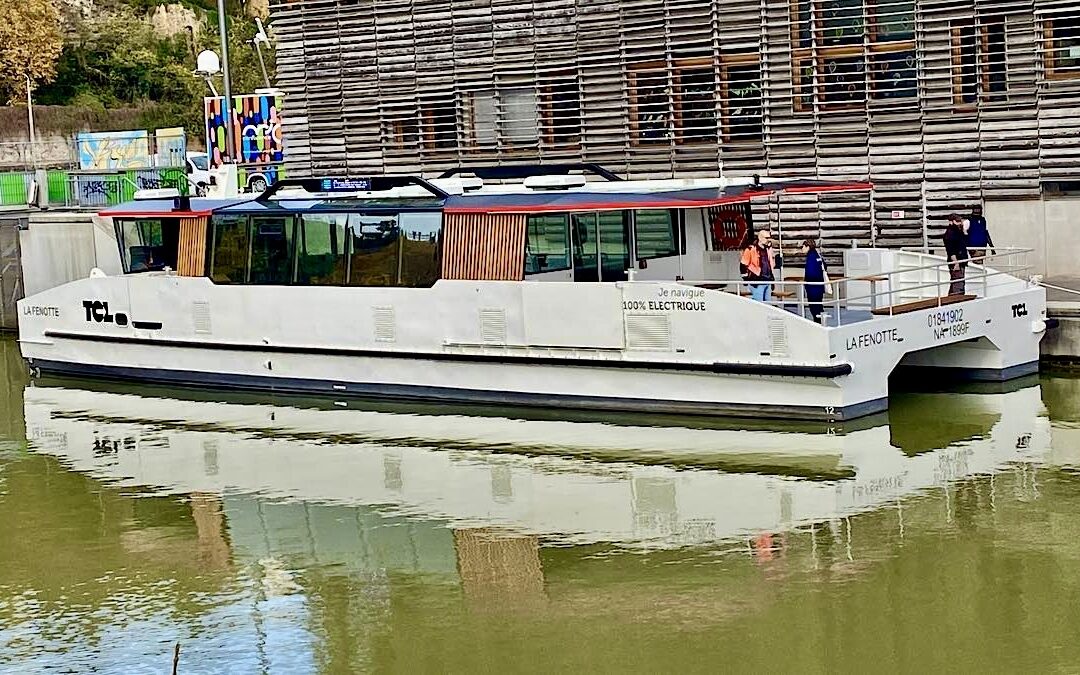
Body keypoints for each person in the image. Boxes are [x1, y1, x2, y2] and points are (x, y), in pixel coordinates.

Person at [740, 228, 775, 302]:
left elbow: (769, 265)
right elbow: (743, 265)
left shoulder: (768, 249)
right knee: (759, 305)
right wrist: (746, 279)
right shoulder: (750, 249)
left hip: (767, 281)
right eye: (766, 238)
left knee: (768, 305)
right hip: (757, 282)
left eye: (769, 238)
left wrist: (772, 278)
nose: (768, 240)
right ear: (760, 238)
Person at [801, 238, 827, 323]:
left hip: (813, 287)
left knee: (814, 308)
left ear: (808, 247)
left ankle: (819, 324)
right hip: (819, 286)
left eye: (803, 247)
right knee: (819, 306)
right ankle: (822, 322)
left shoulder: (810, 257)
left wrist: (806, 282)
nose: (802, 249)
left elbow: (810, 273)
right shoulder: (817, 255)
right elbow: (824, 266)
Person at [943, 213, 969, 295]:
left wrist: (964, 232)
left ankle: (953, 299)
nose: (960, 223)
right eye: (957, 221)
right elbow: (951, 250)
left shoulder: (958, 232)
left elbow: (964, 242)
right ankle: (956, 300)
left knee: (958, 282)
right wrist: (955, 262)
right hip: (956, 261)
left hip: (961, 260)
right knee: (958, 284)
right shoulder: (950, 234)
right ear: (951, 222)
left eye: (960, 221)